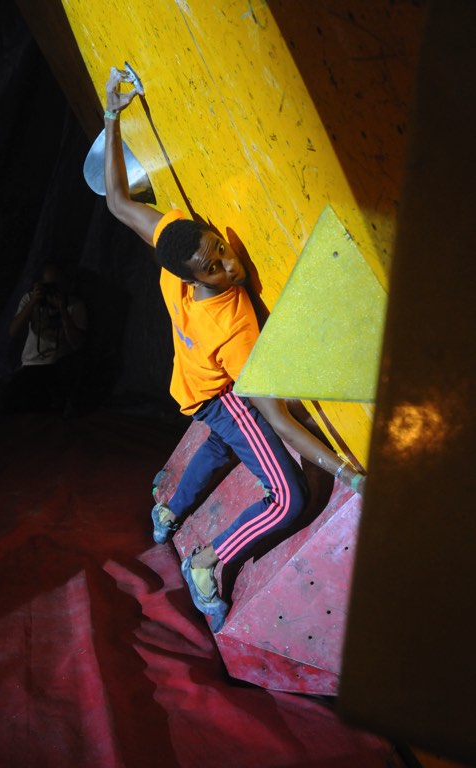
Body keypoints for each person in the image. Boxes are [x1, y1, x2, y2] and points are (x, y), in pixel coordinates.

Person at [103, 66, 363, 632]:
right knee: (288, 496)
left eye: (220, 249)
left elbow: (119, 202)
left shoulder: (176, 243)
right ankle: (207, 562)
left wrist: (111, 114)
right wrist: (347, 472)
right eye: (213, 268)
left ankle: (169, 510)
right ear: (190, 277)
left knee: (223, 445)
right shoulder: (237, 326)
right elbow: (281, 421)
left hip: (190, 383)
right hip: (220, 395)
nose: (229, 264)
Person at [3, 262, 87, 416]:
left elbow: (77, 344)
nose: (53, 290)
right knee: (7, 403)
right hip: (32, 364)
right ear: (40, 284)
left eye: (57, 285)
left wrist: (63, 310)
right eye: (48, 286)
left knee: (57, 405)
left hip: (58, 364)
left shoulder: (75, 305)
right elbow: (13, 332)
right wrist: (33, 302)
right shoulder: (29, 299)